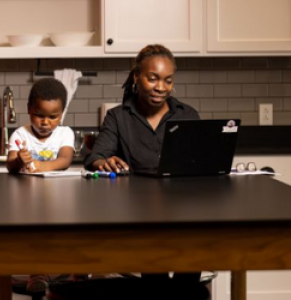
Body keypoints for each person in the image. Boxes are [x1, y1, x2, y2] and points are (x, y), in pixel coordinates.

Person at [84, 44, 206, 297]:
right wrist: (102, 162)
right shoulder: (118, 117)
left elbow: (202, 164)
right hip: (140, 215)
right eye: (153, 78)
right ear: (136, 77)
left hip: (184, 213)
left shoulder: (188, 115)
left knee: (188, 281)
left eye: (167, 80)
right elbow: (96, 157)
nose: (161, 87)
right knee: (155, 284)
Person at [6, 77, 75, 292]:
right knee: (34, 236)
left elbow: (65, 159)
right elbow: (11, 165)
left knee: (62, 236)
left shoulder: (65, 133)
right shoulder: (19, 134)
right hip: (28, 199)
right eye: (39, 115)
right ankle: (37, 274)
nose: (46, 122)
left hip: (58, 198)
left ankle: (76, 273)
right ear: (29, 110)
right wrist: (20, 160)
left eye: (53, 117)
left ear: (61, 114)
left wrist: (41, 165)